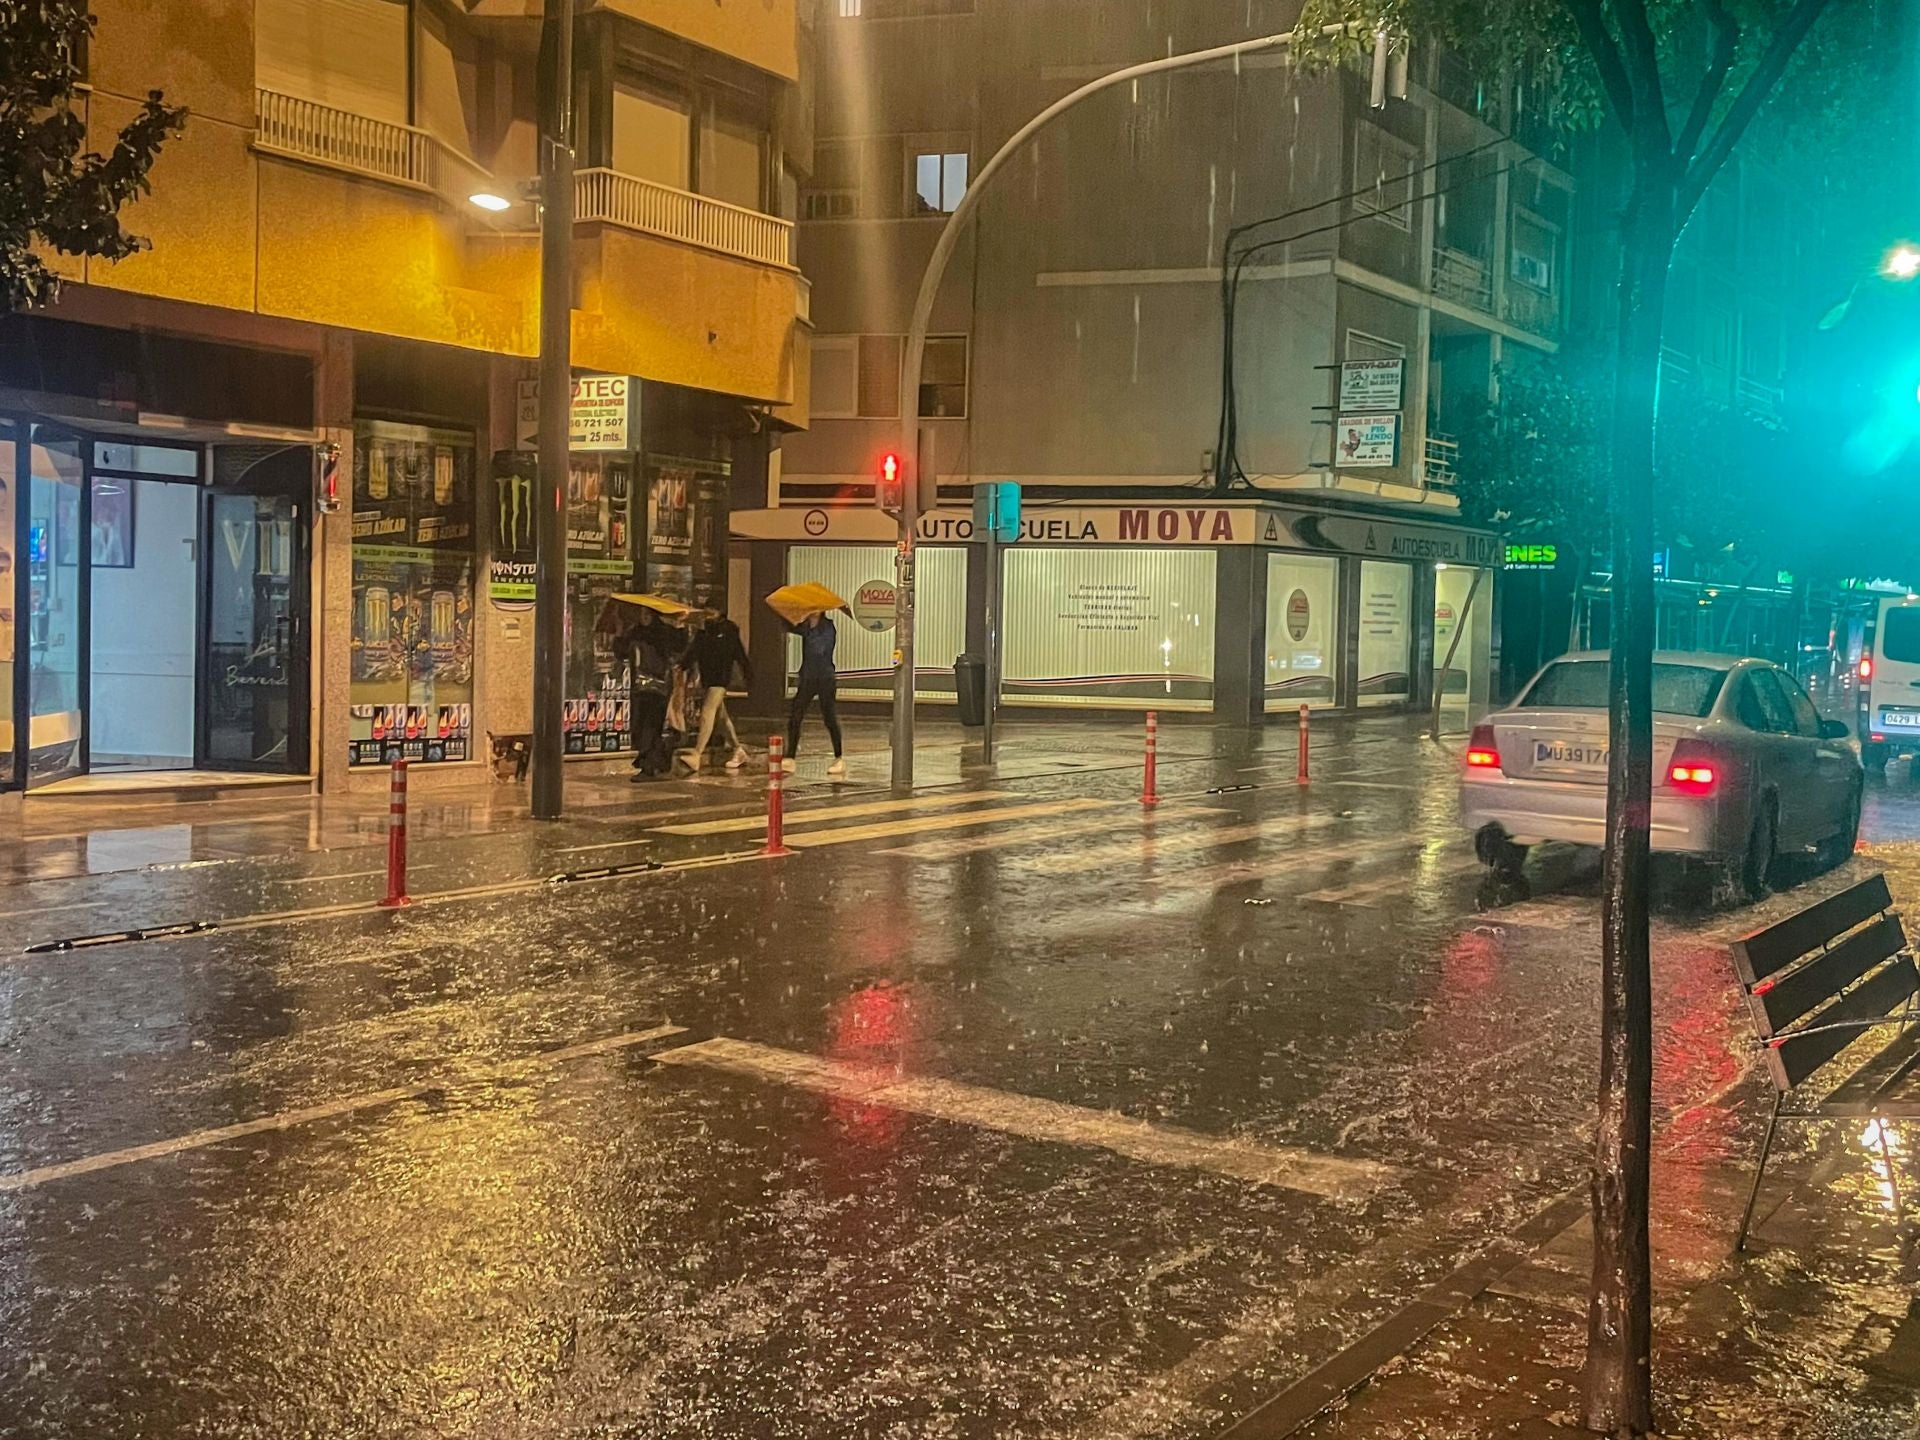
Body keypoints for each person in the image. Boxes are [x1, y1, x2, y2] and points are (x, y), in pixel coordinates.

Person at [676, 608, 752, 773]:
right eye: (706, 612)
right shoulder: (703, 632)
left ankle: (697, 754)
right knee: (721, 717)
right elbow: (694, 652)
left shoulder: (729, 631)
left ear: (720, 613)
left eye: (712, 612)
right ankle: (738, 750)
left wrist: (748, 676)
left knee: (707, 711)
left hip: (721, 678)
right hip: (707, 678)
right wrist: (683, 665)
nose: (708, 615)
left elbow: (739, 654)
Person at [788, 609, 846, 776]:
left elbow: (820, 649)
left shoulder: (828, 627)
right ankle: (790, 756)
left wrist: (810, 629)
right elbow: (787, 626)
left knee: (829, 717)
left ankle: (839, 756)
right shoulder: (805, 626)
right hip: (807, 677)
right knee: (795, 714)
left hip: (825, 678)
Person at [624, 607, 679, 780]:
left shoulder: (664, 632)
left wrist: (679, 627)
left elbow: (677, 649)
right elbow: (622, 652)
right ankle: (656, 760)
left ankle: (649, 766)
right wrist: (620, 634)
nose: (644, 618)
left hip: (658, 685)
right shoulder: (635, 632)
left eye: (647, 614)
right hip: (640, 685)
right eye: (642, 614)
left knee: (651, 724)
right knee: (641, 724)